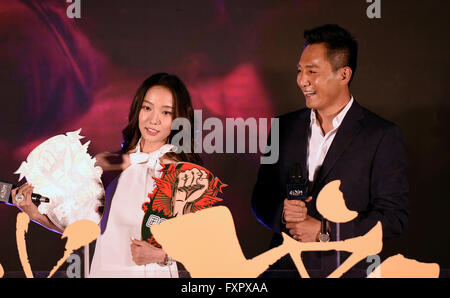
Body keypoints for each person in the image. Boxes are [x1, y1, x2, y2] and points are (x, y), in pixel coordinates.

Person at [251, 24, 409, 278]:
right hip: (284, 268)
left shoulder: (381, 135)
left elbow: (393, 217)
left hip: (346, 270)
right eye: (300, 71)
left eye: (312, 71)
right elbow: (261, 197)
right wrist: (282, 212)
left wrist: (325, 231)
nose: (302, 80)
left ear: (344, 75)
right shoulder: (282, 127)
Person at [89, 73, 200, 278]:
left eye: (166, 112)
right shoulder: (107, 164)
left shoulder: (185, 174)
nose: (153, 119)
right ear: (137, 109)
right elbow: (77, 223)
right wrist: (35, 213)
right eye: (147, 108)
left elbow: (201, 243)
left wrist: (163, 255)